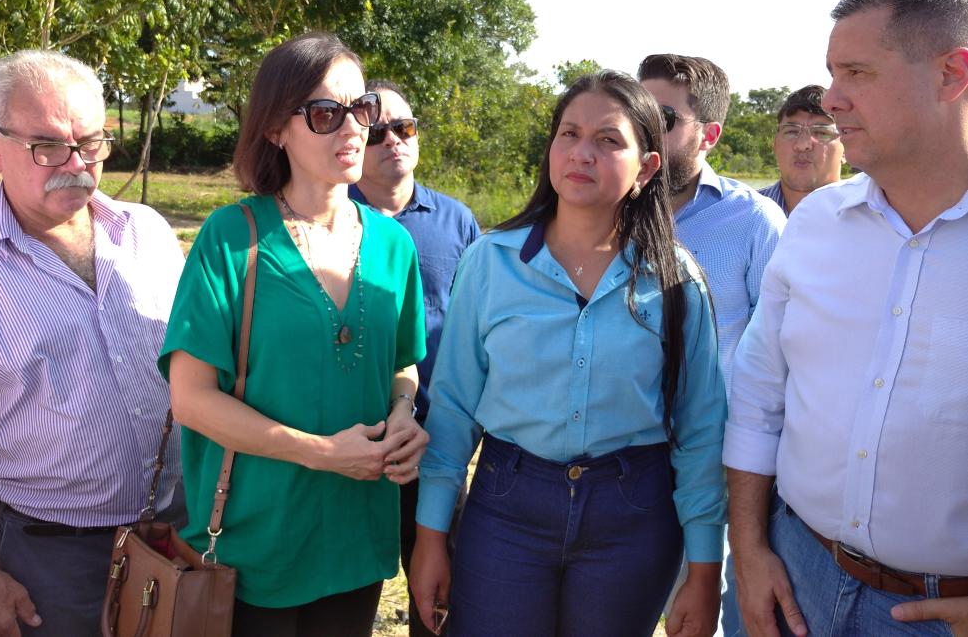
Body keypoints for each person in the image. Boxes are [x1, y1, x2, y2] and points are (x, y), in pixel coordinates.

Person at [410, 70, 727, 637]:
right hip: (508, 505)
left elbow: (700, 430)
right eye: (569, 134)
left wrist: (705, 572)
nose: (583, 153)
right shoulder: (490, 263)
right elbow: (454, 410)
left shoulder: (679, 282)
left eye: (609, 140)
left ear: (647, 167)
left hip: (632, 516)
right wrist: (432, 536)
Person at [723, 0, 968, 637]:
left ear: (952, 74)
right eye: (831, 73)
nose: (831, 99)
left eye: (855, 73)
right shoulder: (812, 223)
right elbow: (757, 395)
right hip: (788, 573)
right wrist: (746, 549)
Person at [161, 32, 429, 637]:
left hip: (356, 540)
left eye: (362, 109)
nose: (354, 128)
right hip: (256, 546)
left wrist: (405, 412)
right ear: (276, 129)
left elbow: (402, 365)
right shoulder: (232, 238)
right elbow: (192, 399)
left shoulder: (394, 245)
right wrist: (322, 453)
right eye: (326, 113)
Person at [0, 50, 185, 636]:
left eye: (91, 142)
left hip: (174, 540)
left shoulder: (148, 233)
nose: (77, 164)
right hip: (44, 561)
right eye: (50, 147)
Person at [638, 53, 785, 636]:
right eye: (639, 111)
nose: (645, 129)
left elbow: (781, 356)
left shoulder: (756, 223)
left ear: (710, 135)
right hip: (616, 456)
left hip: (716, 461)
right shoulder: (605, 208)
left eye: (665, 117)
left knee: (705, 616)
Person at [349, 79, 479, 637]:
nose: (393, 141)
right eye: (378, 131)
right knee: (347, 593)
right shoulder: (326, 220)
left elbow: (477, 327)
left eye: (404, 128)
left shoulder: (457, 222)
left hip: (438, 437)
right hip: (347, 438)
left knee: (441, 594)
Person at [758, 85, 845, 216]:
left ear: (846, 149)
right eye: (792, 132)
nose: (802, 145)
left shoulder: (873, 219)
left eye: (821, 133)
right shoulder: (743, 215)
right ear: (774, 144)